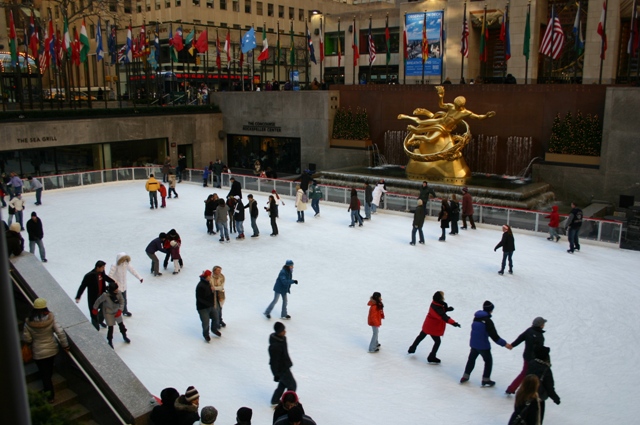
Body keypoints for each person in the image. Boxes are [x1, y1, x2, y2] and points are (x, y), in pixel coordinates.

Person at [22, 298, 70, 403]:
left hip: (38, 351)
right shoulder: (50, 318)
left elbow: (27, 339)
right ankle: (49, 392)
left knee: (44, 373)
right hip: (51, 350)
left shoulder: (28, 322)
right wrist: (65, 346)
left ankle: (49, 395)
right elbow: (60, 332)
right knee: (48, 371)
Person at [460, 300, 512, 386]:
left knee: (471, 360)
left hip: (474, 344)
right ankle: (486, 379)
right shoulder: (488, 321)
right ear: (490, 310)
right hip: (483, 346)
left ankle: (465, 376)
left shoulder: (476, 317)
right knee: (488, 361)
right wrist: (505, 344)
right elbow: (494, 336)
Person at [407, 291, 460, 363]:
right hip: (433, 327)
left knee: (421, 336)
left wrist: (446, 309)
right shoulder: (437, 307)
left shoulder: (434, 304)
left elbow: (440, 312)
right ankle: (432, 356)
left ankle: (412, 348)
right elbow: (443, 317)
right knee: (437, 342)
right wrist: (454, 323)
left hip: (428, 324)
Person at [506, 317, 547, 395]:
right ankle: (530, 392)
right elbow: (539, 349)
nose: (544, 325)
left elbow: (520, 338)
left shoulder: (529, 330)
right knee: (533, 375)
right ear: (540, 325)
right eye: (543, 324)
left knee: (525, 373)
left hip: (526, 356)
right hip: (534, 358)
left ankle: (512, 388)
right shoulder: (539, 336)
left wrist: (512, 345)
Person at [76, 260, 116, 330]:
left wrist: (113, 282)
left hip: (102, 296)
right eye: (102, 267)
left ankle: (99, 321)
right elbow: (83, 286)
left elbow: (105, 277)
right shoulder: (89, 276)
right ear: (98, 267)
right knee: (94, 313)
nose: (104, 269)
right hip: (93, 298)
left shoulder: (102, 273)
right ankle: (95, 328)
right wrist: (78, 296)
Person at [527, 346, 561, 423]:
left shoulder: (531, 364)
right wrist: (556, 398)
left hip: (524, 395)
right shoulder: (546, 370)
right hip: (537, 399)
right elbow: (549, 388)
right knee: (537, 420)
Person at [92, 282, 130, 348]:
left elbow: (122, 301)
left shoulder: (119, 293)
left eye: (117, 289)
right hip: (108, 313)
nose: (117, 291)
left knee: (121, 325)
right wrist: (95, 308)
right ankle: (110, 340)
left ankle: (124, 335)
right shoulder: (105, 295)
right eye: (115, 290)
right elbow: (98, 301)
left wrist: (120, 310)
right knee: (111, 327)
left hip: (116, 311)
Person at [269, 321, 296, 405]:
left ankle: (275, 400)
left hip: (285, 365)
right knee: (292, 386)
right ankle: (288, 403)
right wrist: (276, 374)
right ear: (278, 332)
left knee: (283, 384)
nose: (285, 331)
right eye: (283, 330)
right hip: (281, 369)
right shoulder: (275, 347)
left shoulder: (283, 339)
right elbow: (273, 362)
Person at [109, 252, 143, 317]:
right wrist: (114, 284)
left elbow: (133, 270)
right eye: (123, 259)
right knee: (115, 300)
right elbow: (110, 276)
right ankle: (113, 312)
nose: (124, 261)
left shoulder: (126, 264)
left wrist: (139, 277)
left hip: (123, 286)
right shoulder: (114, 265)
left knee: (124, 299)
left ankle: (125, 311)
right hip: (116, 287)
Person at [196, 270, 222, 342]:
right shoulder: (200, 286)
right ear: (206, 277)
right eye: (209, 276)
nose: (210, 277)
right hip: (203, 308)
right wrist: (209, 304)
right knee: (205, 322)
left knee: (216, 317)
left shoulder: (208, 283)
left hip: (210, 306)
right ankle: (206, 334)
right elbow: (200, 298)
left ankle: (214, 329)